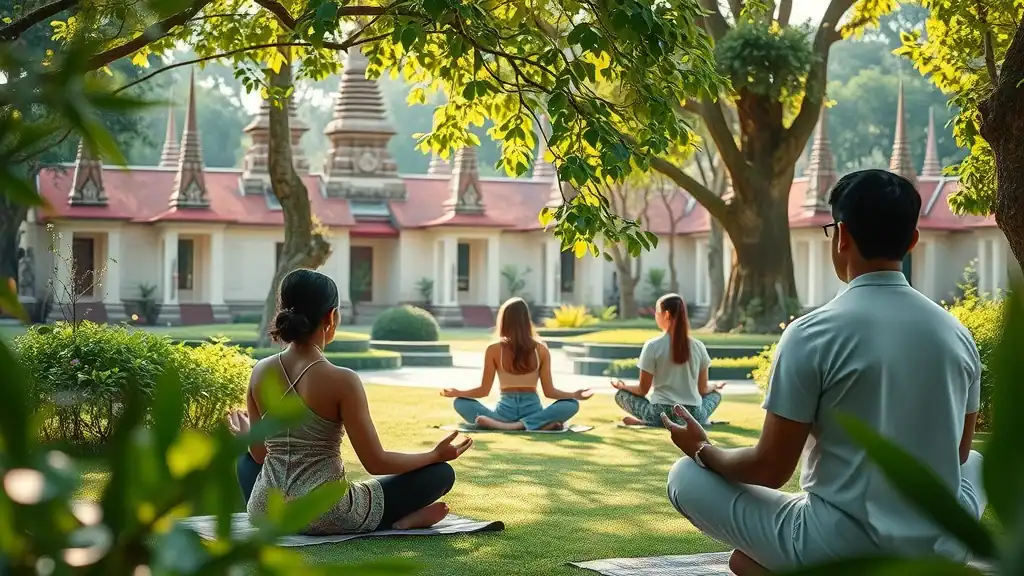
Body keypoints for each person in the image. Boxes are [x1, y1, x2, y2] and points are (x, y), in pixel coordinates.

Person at [662, 169, 987, 575]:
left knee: (684, 476)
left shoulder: (812, 333)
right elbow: (956, 453)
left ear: (842, 235)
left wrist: (701, 449)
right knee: (974, 461)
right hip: (939, 547)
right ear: (913, 241)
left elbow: (770, 469)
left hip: (838, 546)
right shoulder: (957, 333)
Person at [230, 269, 473, 535]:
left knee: (245, 461)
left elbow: (258, 455)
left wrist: (249, 437)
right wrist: (434, 455)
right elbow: (376, 462)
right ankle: (400, 520)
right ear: (330, 317)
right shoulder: (342, 380)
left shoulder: (260, 371)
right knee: (440, 474)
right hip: (325, 512)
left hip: (265, 511)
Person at [440, 297, 593, 430]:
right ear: (527, 320)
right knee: (571, 404)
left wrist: (458, 393)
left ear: (503, 320)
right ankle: (534, 424)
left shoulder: (493, 349)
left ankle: (507, 425)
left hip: (503, 415)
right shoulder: (541, 349)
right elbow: (549, 392)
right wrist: (574, 395)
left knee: (460, 402)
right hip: (533, 411)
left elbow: (484, 390)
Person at [611, 293, 726, 428]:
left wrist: (624, 387)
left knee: (621, 395)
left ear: (666, 315)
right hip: (693, 415)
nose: (655, 316)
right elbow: (703, 389)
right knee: (715, 395)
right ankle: (692, 423)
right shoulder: (698, 346)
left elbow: (643, 390)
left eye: (657, 312)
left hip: (660, 414)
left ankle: (650, 423)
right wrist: (714, 386)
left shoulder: (652, 346)